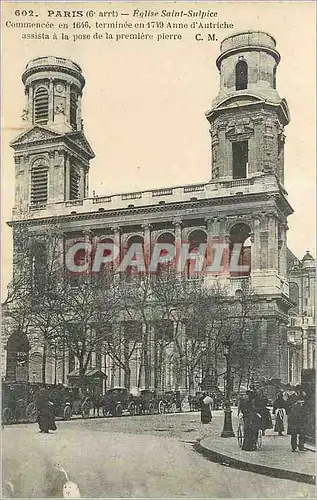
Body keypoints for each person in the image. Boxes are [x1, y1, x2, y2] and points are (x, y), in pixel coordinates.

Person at [287, 386, 308, 452]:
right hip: (294, 418)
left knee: (302, 433)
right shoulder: (291, 397)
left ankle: (301, 446)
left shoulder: (303, 396)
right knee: (294, 433)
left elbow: (306, 406)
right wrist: (296, 404)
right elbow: (288, 408)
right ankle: (294, 447)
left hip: (301, 418)